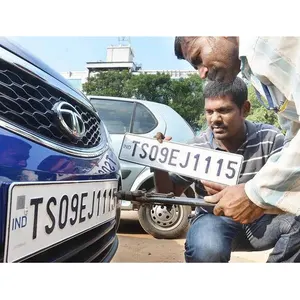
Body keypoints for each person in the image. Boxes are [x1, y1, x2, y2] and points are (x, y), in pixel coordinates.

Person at [153, 77, 300, 262]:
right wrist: (159, 164)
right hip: (213, 220)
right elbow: (168, 195)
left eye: (224, 110)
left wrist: (252, 193)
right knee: (208, 249)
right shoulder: (196, 148)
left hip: (263, 221)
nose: (214, 119)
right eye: (209, 111)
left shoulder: (270, 138)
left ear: (245, 109)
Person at [173, 36, 300, 223]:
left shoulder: (269, 44)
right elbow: (295, 132)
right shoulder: (254, 68)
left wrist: (254, 192)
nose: (201, 73)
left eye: (198, 57)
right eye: (209, 112)